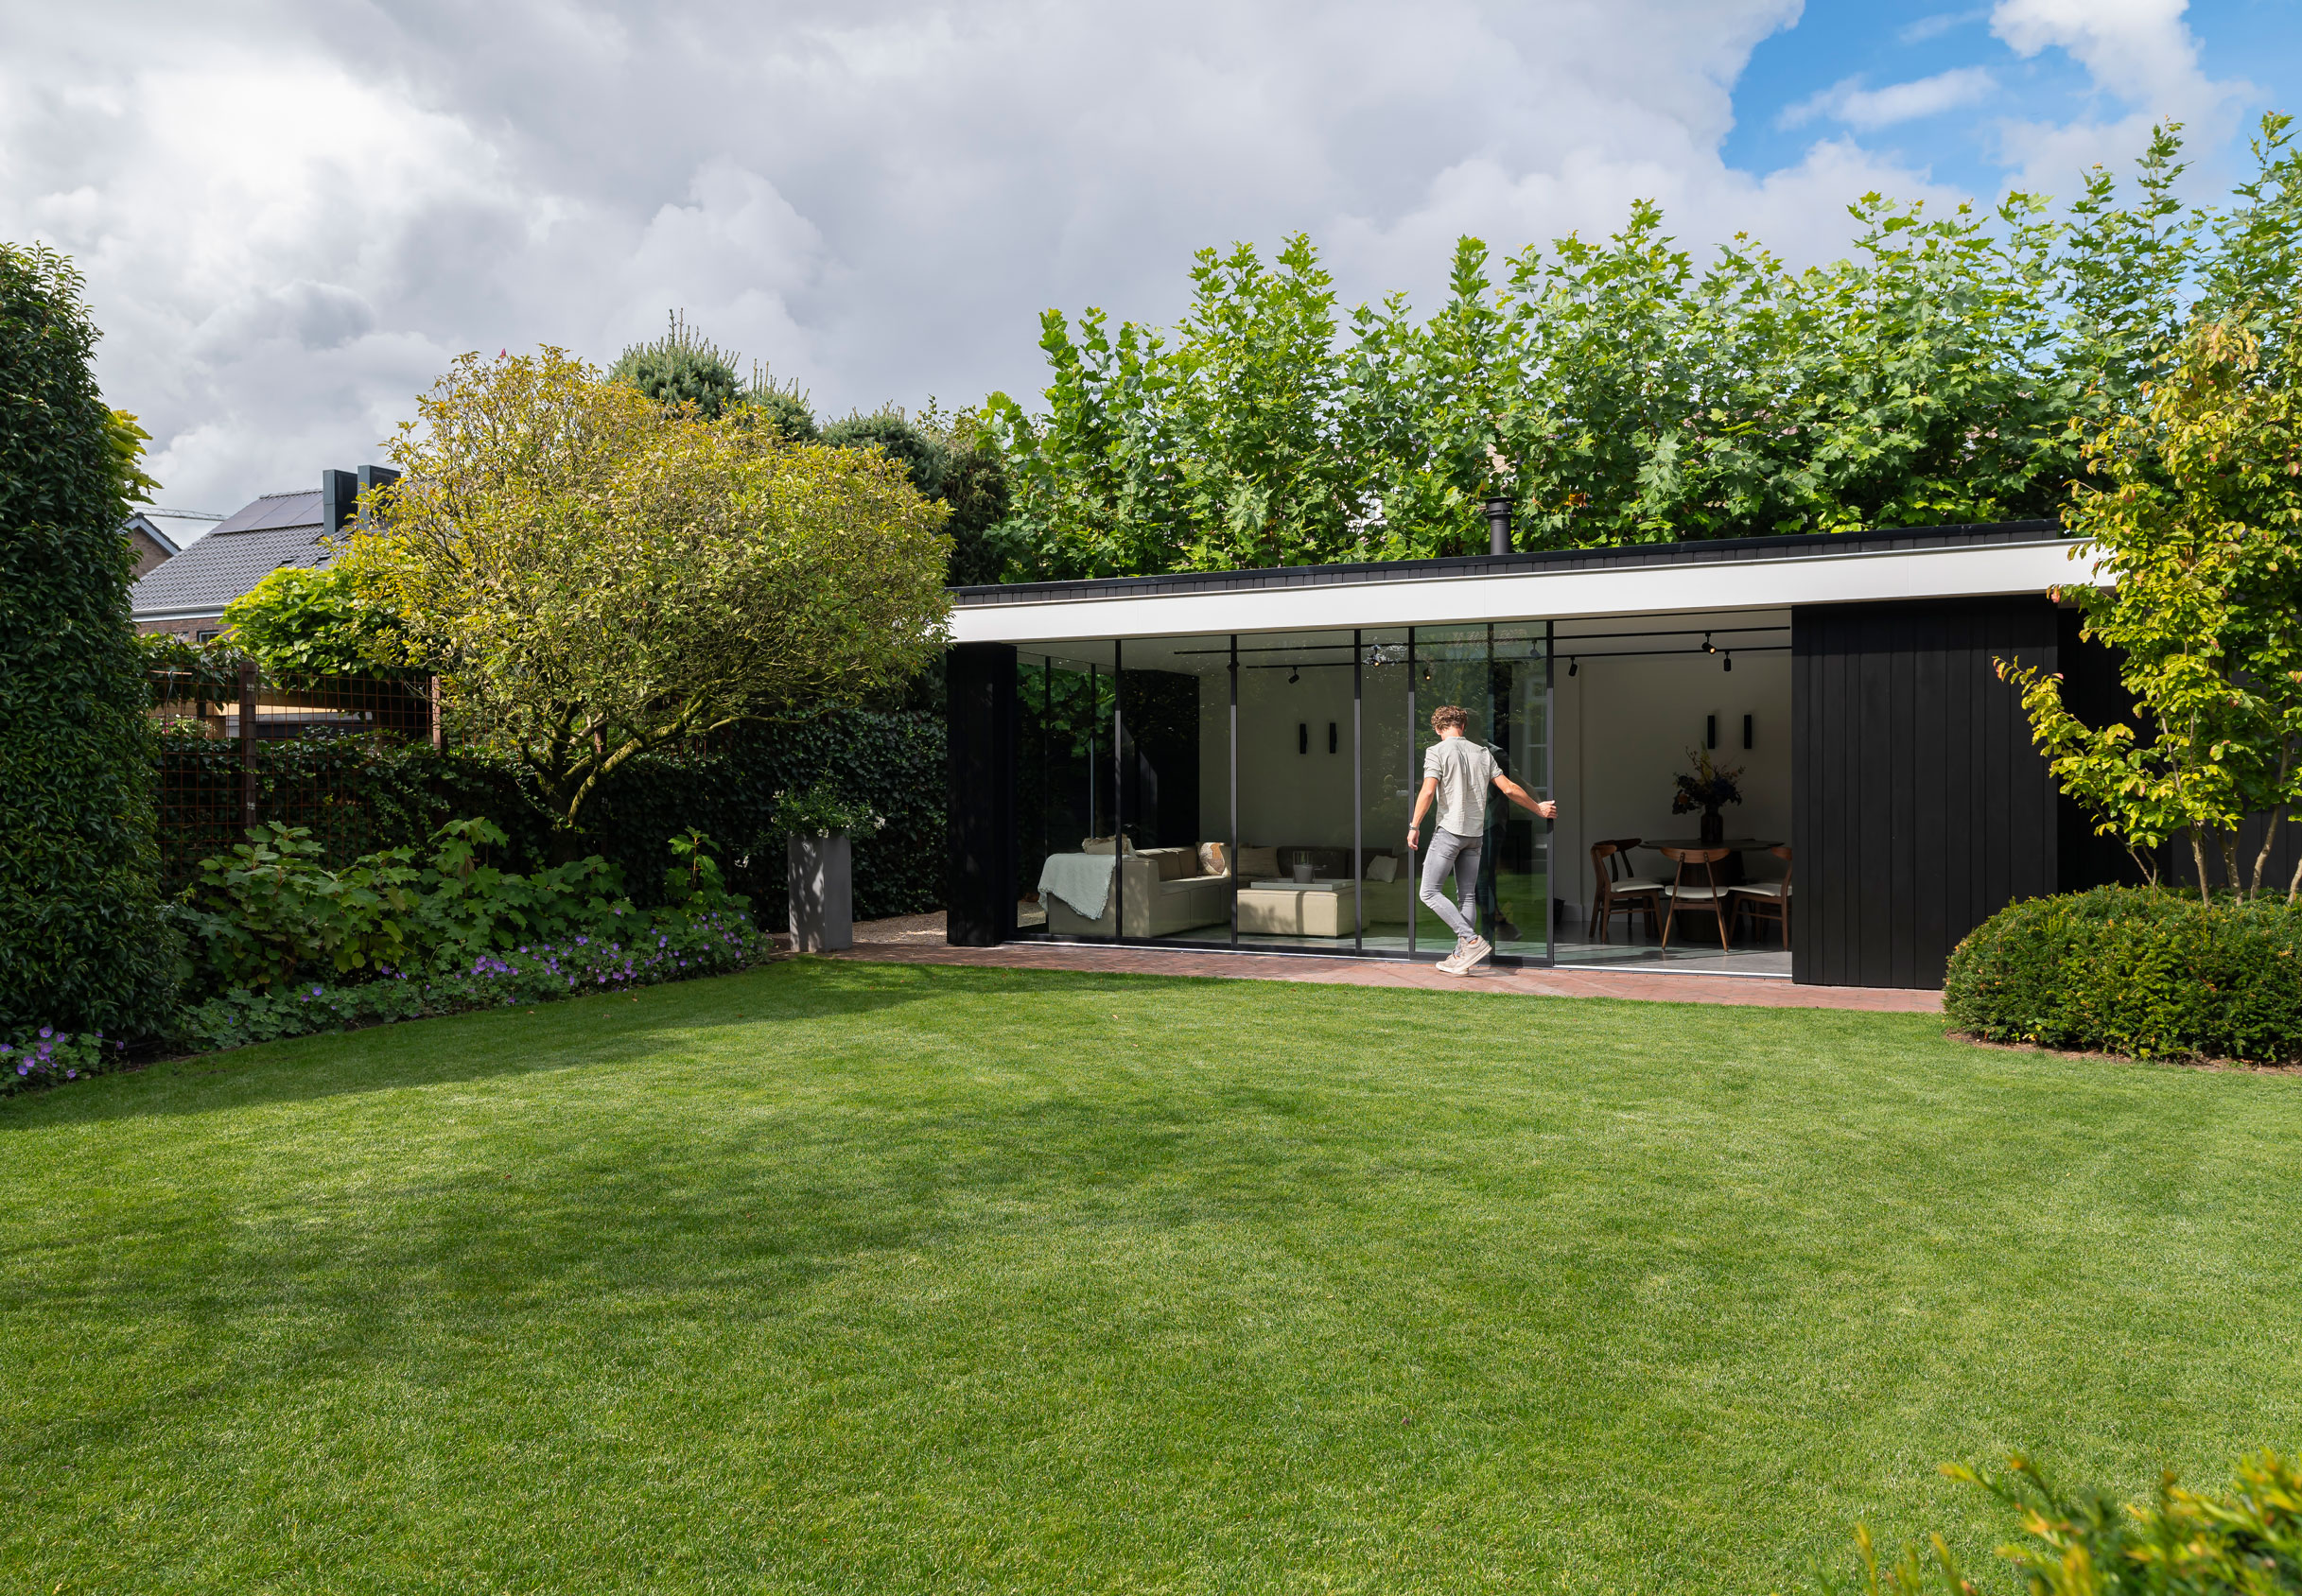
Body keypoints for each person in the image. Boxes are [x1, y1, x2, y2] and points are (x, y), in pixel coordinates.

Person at [1406, 704, 1557, 974]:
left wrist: (1414, 825)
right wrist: (1538, 808)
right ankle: (1460, 957)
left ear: (1438, 729)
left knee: (1428, 891)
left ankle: (1471, 940)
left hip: (1449, 831)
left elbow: (1427, 792)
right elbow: (1509, 788)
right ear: (1463, 726)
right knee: (1466, 896)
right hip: (1475, 835)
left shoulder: (1436, 751)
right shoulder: (1483, 753)